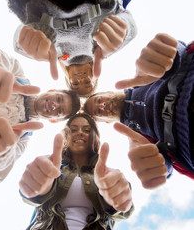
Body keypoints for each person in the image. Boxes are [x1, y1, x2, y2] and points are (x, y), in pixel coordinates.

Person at [0, 42, 80, 183]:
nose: (55, 105)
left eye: (60, 111)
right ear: (52, 91)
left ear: (54, 120)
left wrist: (0, 155)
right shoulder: (17, 75)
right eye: (59, 98)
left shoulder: (22, 138)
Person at [83, 33, 194, 186]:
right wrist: (158, 167)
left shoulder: (141, 77)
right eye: (97, 111)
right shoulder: (136, 139)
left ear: (107, 92)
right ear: (106, 121)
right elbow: (163, 165)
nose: (102, 106)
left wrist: (170, 55)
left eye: (99, 100)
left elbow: (180, 52)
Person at [0, 0, 137, 96]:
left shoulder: (52, 56)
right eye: (87, 82)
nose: (81, 79)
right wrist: (123, 31)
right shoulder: (101, 50)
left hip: (39, 1)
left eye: (75, 84)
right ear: (95, 77)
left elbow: (18, 43)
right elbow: (129, 24)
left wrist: (30, 39)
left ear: (68, 79)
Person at [19, 113, 134, 230]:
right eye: (73, 129)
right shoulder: (52, 169)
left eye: (87, 130)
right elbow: (33, 198)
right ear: (66, 135)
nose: (80, 132)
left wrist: (119, 200)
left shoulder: (106, 176)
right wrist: (34, 188)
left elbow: (123, 211)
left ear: (94, 136)